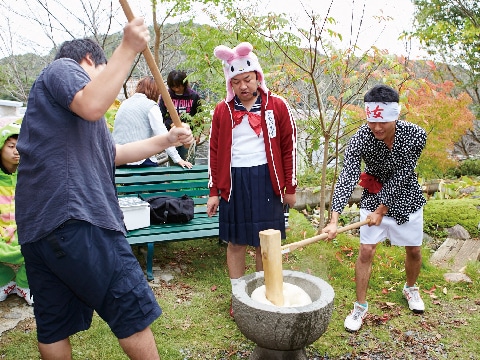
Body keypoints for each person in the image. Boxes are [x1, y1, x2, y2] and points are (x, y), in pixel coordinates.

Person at [15, 18, 193, 360]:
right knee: (130, 308)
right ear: (88, 62)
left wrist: (166, 139)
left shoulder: (72, 121)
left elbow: (115, 154)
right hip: (77, 219)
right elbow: (93, 102)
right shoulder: (63, 69)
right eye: (104, 71)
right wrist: (127, 48)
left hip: (40, 233)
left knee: (54, 325)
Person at [322, 84, 427, 332]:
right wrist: (334, 219)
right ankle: (360, 307)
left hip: (406, 195)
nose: (377, 128)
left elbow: (403, 174)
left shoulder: (416, 135)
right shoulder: (360, 137)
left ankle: (411, 288)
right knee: (366, 250)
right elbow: (348, 176)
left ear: (396, 115)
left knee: (414, 250)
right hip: (373, 194)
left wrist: (382, 210)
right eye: (372, 122)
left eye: (383, 122)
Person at [206, 42, 297, 317]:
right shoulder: (222, 110)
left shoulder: (277, 106)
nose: (243, 86)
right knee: (236, 242)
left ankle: (263, 294)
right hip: (234, 181)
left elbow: (288, 146)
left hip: (266, 180)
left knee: (264, 241)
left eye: (247, 79)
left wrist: (289, 187)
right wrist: (213, 190)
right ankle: (238, 297)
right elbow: (213, 150)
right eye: (236, 81)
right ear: (230, 83)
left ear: (258, 76)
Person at [113, 76, 192, 169]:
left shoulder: (125, 103)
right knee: (159, 179)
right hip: (140, 160)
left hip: (117, 159)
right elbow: (162, 133)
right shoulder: (150, 105)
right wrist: (178, 159)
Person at [0, 121, 33, 306]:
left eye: (19, 147)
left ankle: (23, 283)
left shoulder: (29, 174)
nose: (16, 151)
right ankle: (4, 280)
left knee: (42, 245)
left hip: (24, 230)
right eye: (11, 146)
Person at [159, 70, 202, 164]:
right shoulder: (166, 96)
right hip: (172, 137)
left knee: (188, 162)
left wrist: (198, 133)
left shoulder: (193, 96)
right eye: (173, 86)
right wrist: (170, 124)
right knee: (174, 163)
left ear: (184, 83)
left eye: (178, 86)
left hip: (188, 136)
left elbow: (199, 116)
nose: (176, 89)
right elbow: (161, 116)